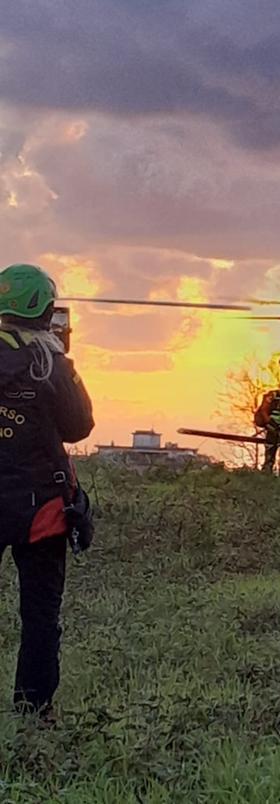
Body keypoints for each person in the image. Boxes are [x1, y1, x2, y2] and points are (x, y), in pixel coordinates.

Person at [0, 264, 94, 717]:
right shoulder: (50, 363)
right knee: (39, 615)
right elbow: (79, 427)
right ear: (44, 310)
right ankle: (33, 711)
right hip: (41, 510)